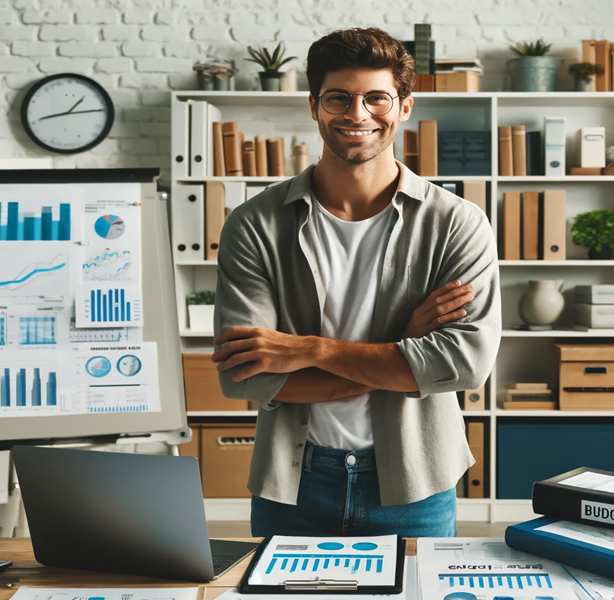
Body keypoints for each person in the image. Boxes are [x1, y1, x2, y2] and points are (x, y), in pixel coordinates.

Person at [211, 27, 500, 538]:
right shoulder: (254, 224)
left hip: (416, 483)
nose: (357, 114)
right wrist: (403, 351)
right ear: (315, 105)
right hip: (294, 484)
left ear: (405, 107)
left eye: (376, 98)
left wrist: (309, 350)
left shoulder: (456, 223)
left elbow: (462, 364)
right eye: (339, 98)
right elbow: (245, 378)